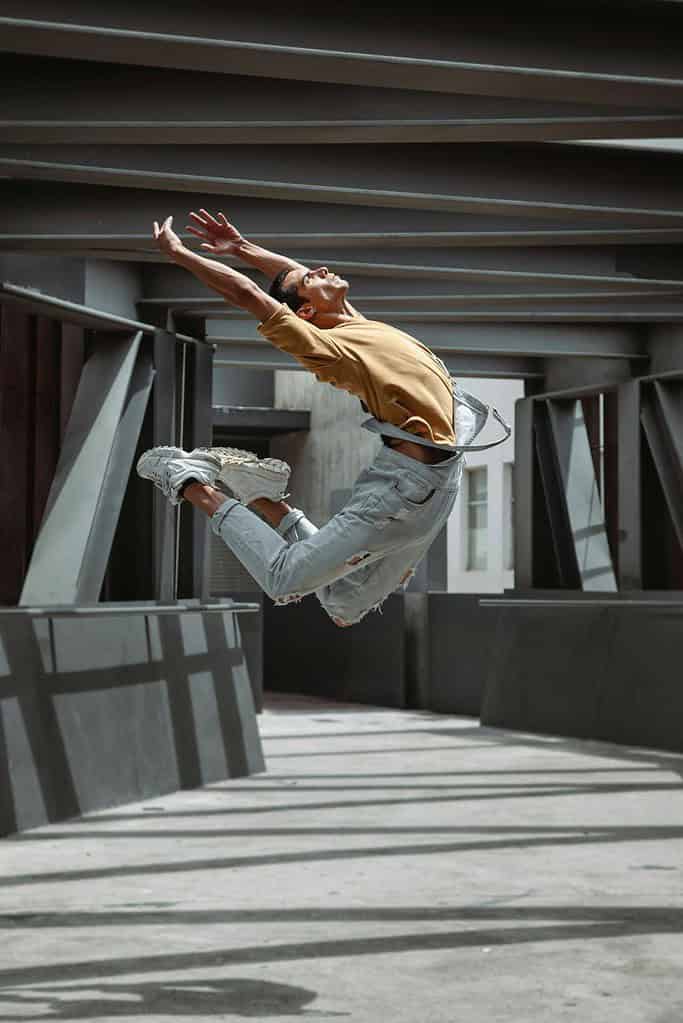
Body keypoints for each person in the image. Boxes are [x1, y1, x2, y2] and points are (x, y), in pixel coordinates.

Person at [137, 211, 507, 626]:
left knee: (344, 606)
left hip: (439, 480)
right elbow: (247, 294)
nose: (318, 269)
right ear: (308, 311)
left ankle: (262, 498)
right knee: (284, 578)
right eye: (310, 279)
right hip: (406, 492)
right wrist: (180, 254)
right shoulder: (329, 348)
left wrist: (242, 248)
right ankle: (189, 479)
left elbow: (291, 275)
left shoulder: (359, 325)